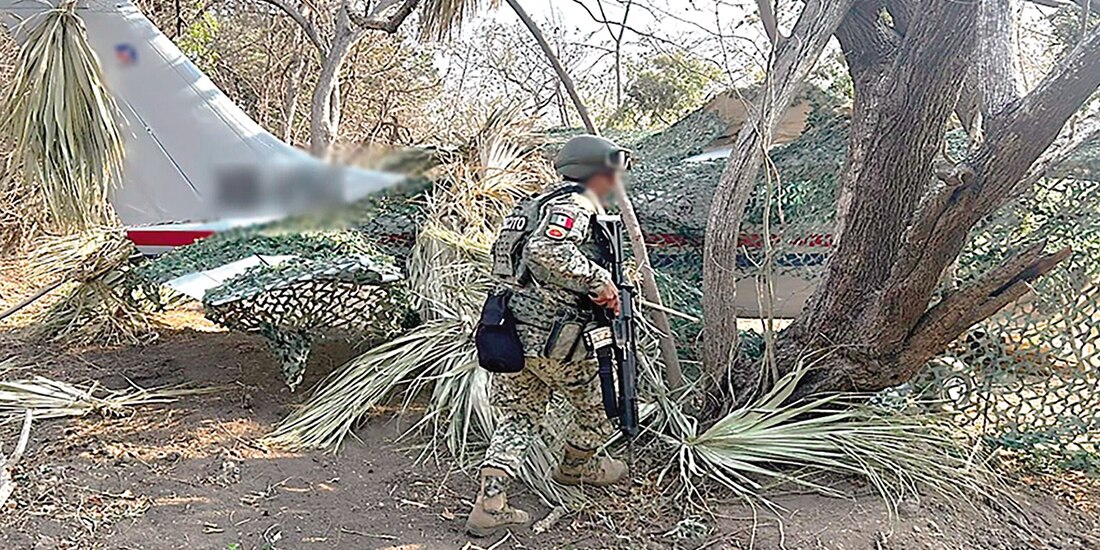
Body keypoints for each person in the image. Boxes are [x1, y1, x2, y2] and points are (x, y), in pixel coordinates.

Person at [465, 135, 631, 537]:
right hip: (561, 341)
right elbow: (548, 252)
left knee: (520, 416)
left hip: (513, 338)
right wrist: (601, 283)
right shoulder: (575, 204)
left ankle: (491, 501)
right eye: (612, 172)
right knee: (599, 407)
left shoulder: (529, 207)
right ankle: (578, 468)